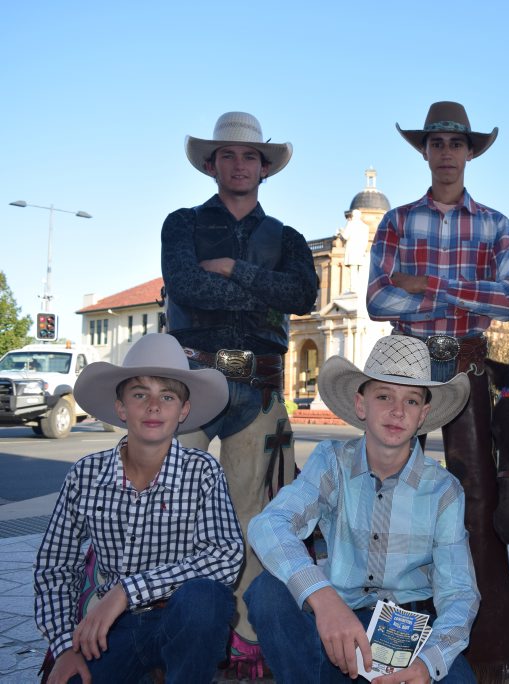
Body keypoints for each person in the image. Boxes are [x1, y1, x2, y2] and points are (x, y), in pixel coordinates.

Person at [366, 101, 509, 677]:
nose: (447, 153)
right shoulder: (398, 220)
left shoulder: (495, 223)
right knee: (389, 495)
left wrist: (426, 282)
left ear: (470, 152)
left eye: (456, 144)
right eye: (437, 143)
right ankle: (390, 643)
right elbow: (378, 300)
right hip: (406, 366)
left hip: (464, 366)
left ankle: (485, 646)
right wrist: (467, 289)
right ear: (426, 152)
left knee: (476, 502)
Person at [160, 111, 319, 670]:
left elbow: (304, 295)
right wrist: (259, 291)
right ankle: (167, 620)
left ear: (264, 168)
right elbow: (184, 285)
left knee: (258, 514)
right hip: (191, 381)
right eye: (227, 154)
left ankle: (249, 635)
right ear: (211, 164)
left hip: (260, 385)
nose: (238, 163)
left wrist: (232, 270)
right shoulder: (180, 224)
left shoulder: (291, 238)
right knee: (170, 503)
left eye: (249, 155)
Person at [245, 335, 478, 683]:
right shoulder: (331, 462)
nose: (397, 411)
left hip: (410, 633)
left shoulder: (443, 489)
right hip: (339, 627)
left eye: (411, 400)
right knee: (268, 592)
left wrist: (427, 664)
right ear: (361, 404)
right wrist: (323, 598)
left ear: (422, 415)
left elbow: (459, 592)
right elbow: (269, 525)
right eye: (384, 396)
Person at [34, 333, 244, 684]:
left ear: (183, 411)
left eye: (167, 396)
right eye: (139, 394)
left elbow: (226, 554)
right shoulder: (85, 474)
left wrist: (127, 590)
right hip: (113, 626)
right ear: (121, 408)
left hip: (180, 618)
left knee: (205, 599)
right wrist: (63, 646)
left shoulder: (202, 470)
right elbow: (55, 567)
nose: (153, 406)